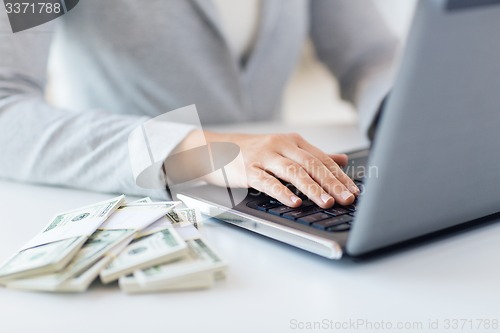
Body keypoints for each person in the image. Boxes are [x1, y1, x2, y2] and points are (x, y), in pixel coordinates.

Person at [0, 0, 397, 208]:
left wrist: (405, 116)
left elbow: (367, 54)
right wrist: (202, 153)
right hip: (131, 208)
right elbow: (6, 106)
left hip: (278, 203)